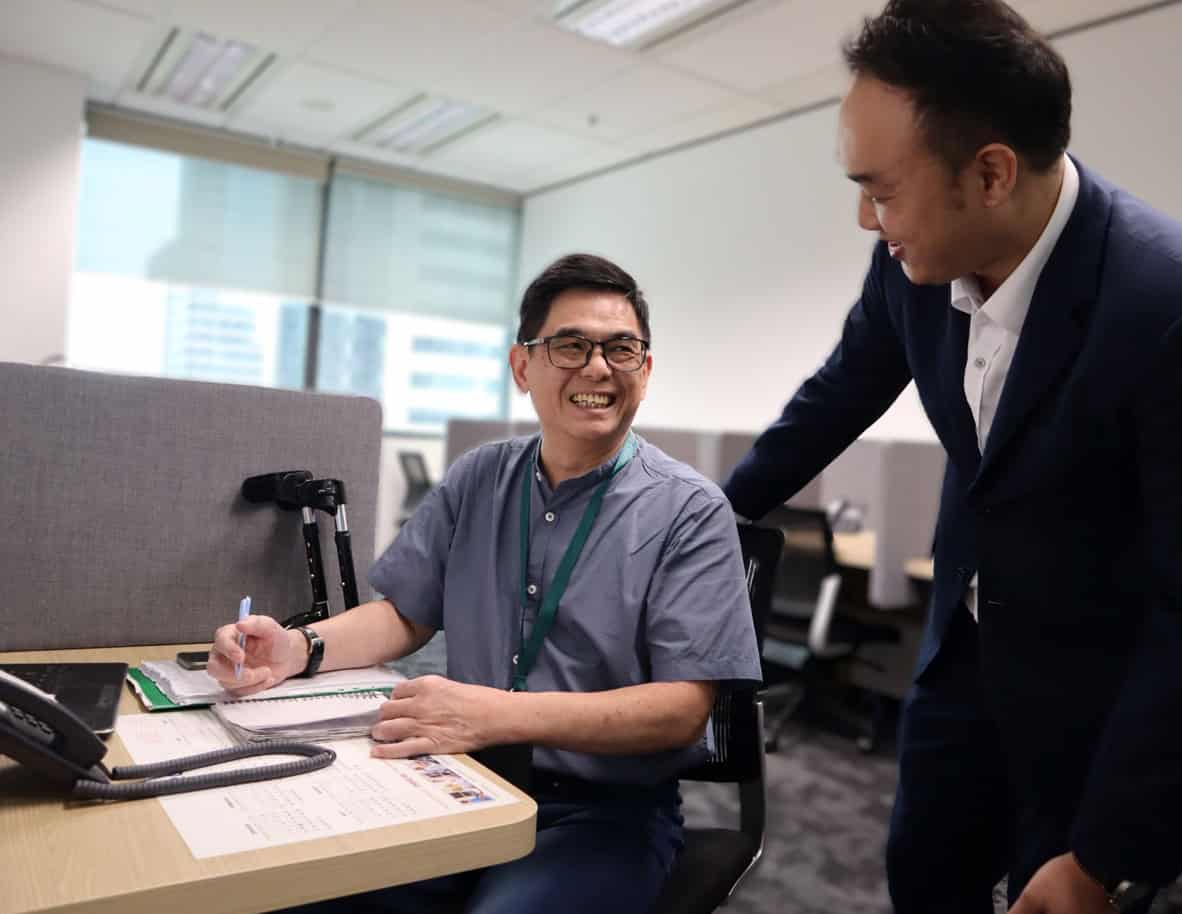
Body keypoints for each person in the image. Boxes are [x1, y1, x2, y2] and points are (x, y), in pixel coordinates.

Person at [723, 2, 1182, 912]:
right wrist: (705, 514)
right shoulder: (914, 260)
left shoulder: (1159, 306)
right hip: (962, 661)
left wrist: (1105, 855)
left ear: (990, 174)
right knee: (924, 880)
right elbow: (839, 394)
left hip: (1099, 704)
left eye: (882, 190)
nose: (865, 218)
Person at [209, 253, 762, 914]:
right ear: (523, 366)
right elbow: (406, 612)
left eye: (621, 349)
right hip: (459, 779)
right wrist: (298, 649)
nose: (597, 367)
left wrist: (490, 714)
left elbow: (681, 709)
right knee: (292, 887)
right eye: (571, 345)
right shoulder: (481, 478)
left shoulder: (689, 510)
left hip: (602, 815)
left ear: (645, 370)